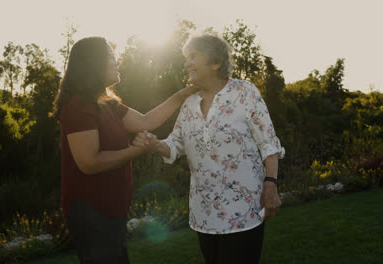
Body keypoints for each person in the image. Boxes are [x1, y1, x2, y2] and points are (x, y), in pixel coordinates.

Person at [133, 33, 285, 264]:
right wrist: (156, 145)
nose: (187, 63)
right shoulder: (189, 103)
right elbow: (176, 144)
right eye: (186, 57)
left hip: (243, 210)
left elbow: (268, 142)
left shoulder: (244, 93)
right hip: (204, 214)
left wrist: (271, 184)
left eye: (193, 56)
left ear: (215, 63)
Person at [51, 36, 198, 264]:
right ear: (94, 64)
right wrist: (137, 150)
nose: (116, 61)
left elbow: (146, 121)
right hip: (91, 213)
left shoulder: (107, 104)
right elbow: (90, 162)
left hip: (111, 210)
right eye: (110, 57)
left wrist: (183, 94)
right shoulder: (78, 106)